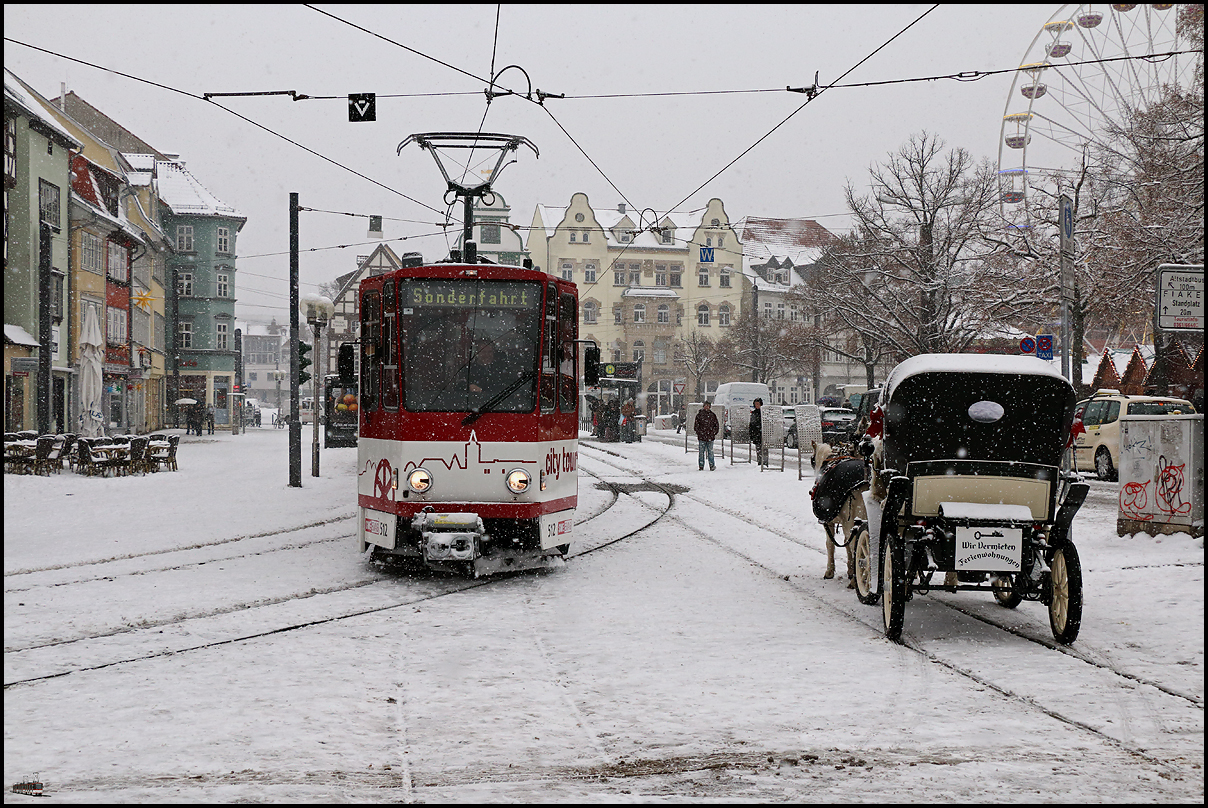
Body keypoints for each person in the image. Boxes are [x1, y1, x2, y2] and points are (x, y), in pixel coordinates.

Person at [694, 400, 719, 471]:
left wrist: (713, 433)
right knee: (701, 452)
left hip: (709, 437)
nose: (707, 407)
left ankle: (712, 465)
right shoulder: (699, 415)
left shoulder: (712, 415)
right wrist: (700, 432)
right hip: (702, 437)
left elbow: (716, 425)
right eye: (706, 405)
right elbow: (696, 426)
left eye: (708, 406)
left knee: (710, 451)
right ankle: (701, 466)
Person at [750, 397, 767, 466]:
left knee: (764, 449)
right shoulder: (754, 413)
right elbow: (751, 424)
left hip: (763, 433)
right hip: (756, 434)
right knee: (758, 449)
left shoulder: (763, 413)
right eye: (755, 404)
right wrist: (751, 433)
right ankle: (760, 462)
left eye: (758, 404)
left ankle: (765, 463)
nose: (757, 405)